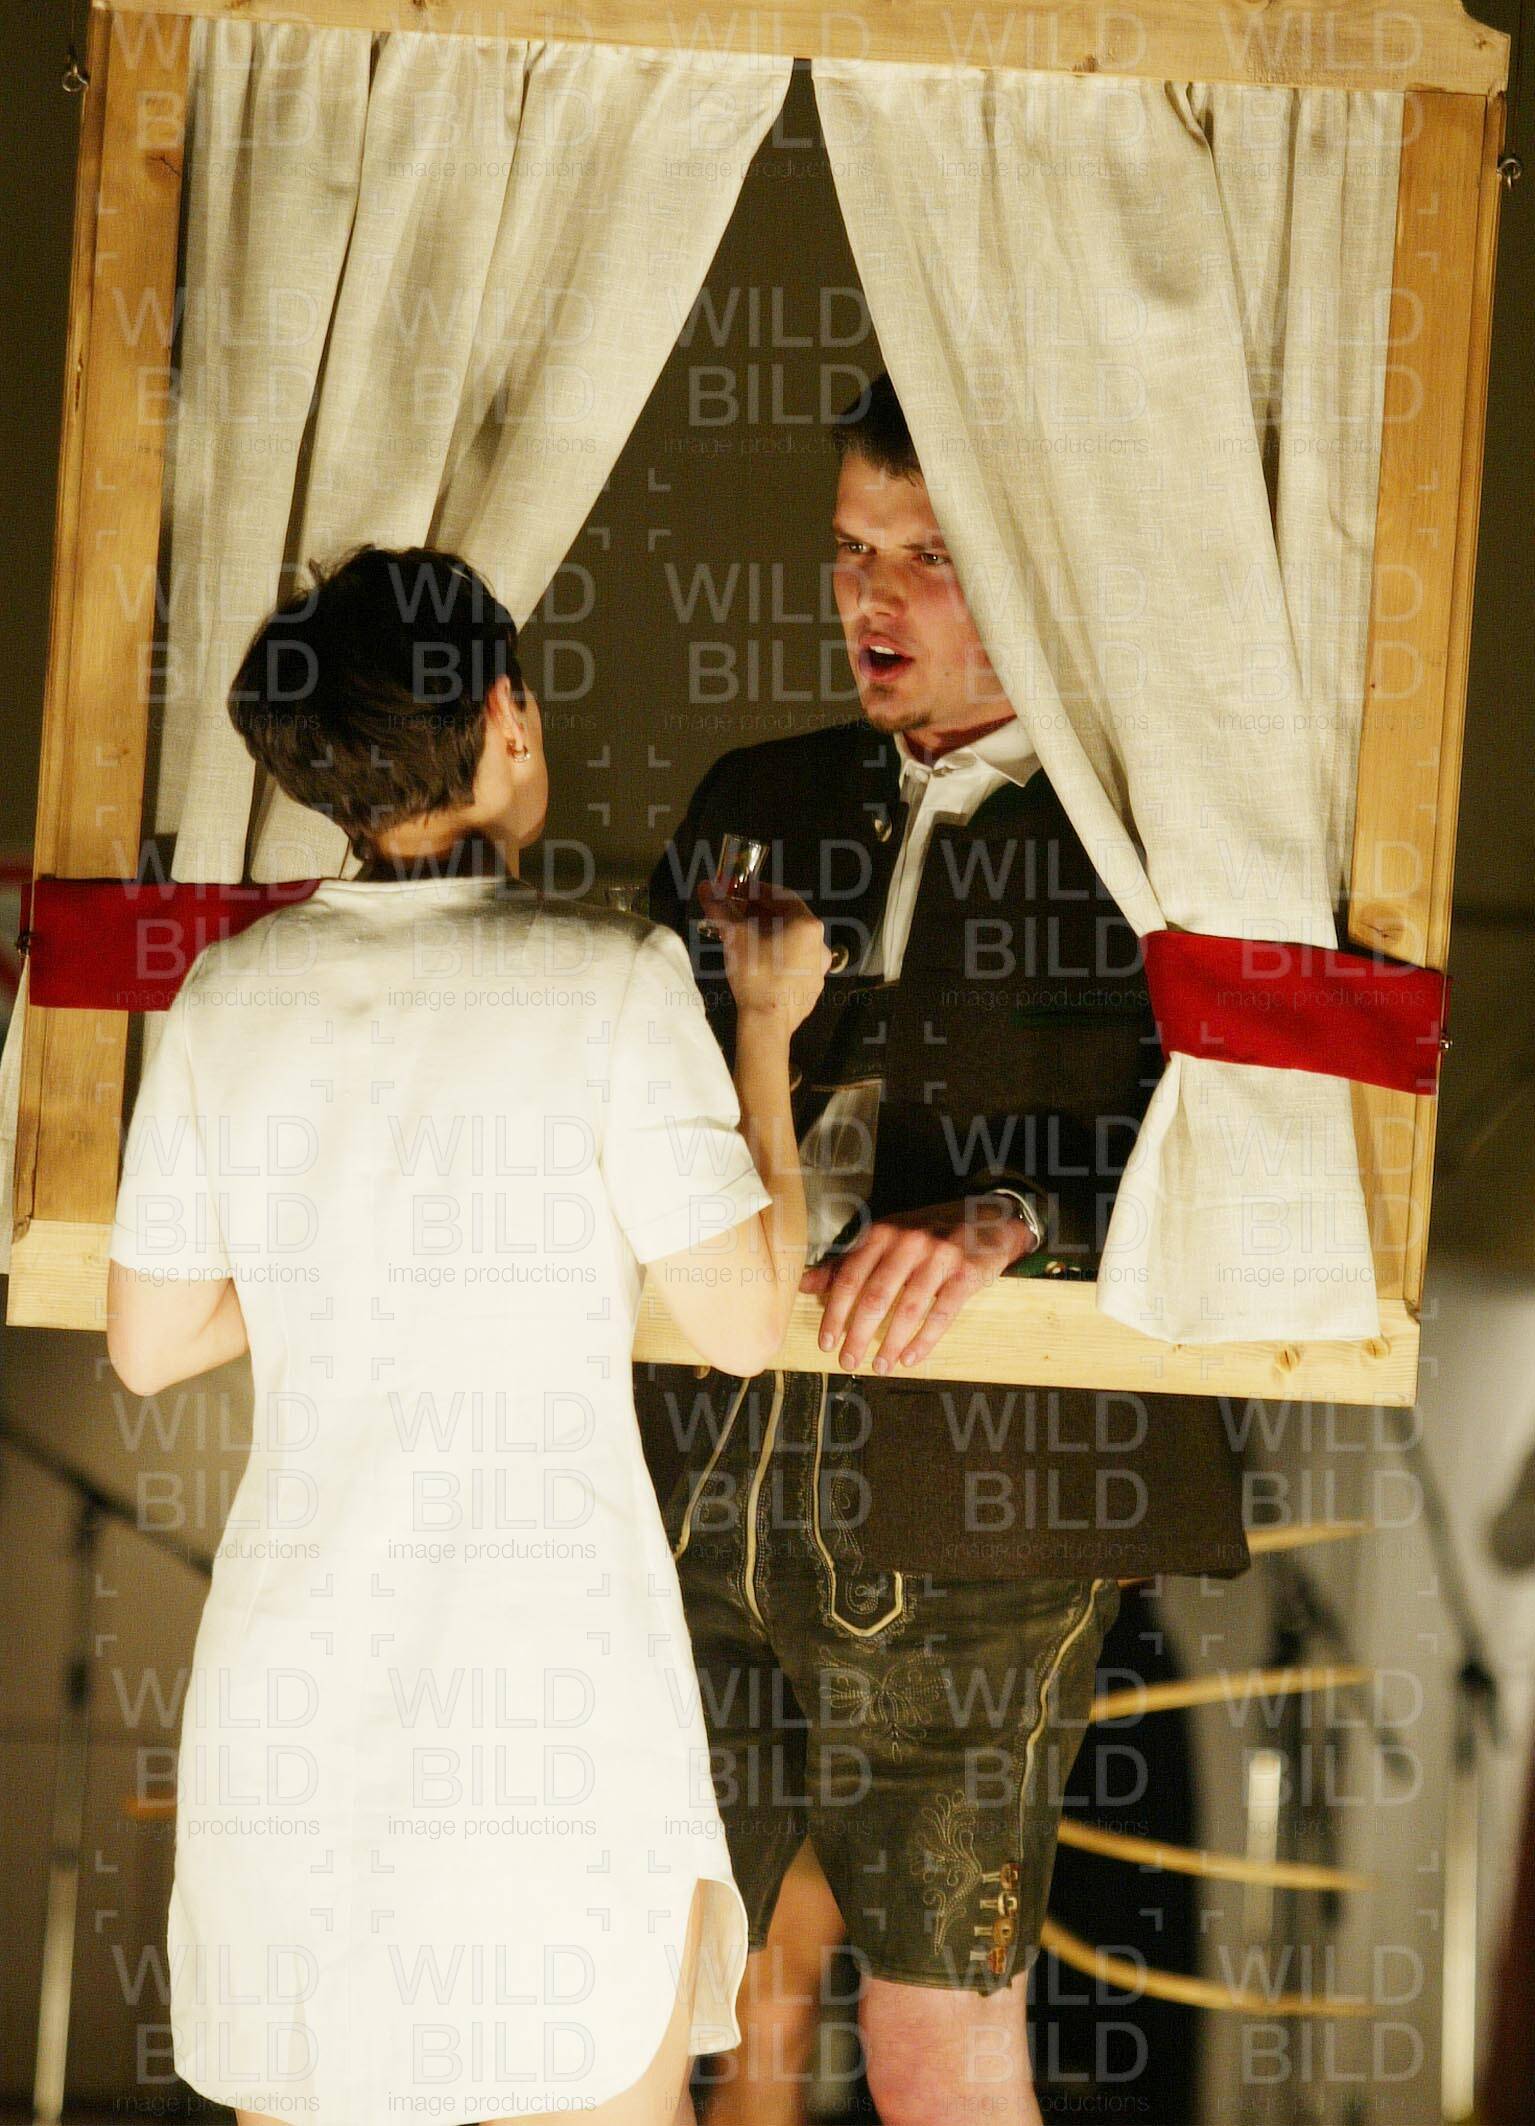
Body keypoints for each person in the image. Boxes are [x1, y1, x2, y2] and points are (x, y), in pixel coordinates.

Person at [104, 545, 834, 2126]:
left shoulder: (228, 994)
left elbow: (149, 1342)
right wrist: (767, 1030)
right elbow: (743, 1318)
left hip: (303, 1677)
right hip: (548, 1679)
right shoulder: (611, 975)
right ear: (505, 713)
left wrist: (344, 1244)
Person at [634, 375, 1251, 2126]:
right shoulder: (757, 793)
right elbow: (619, 1087)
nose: (871, 596)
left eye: (929, 556)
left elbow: (1259, 1142)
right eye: (851, 550)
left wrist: (1025, 1215)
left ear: (1041, 565)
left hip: (982, 1501)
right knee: (634, 1995)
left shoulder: (1158, 839)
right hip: (699, 1472)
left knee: (935, 2041)